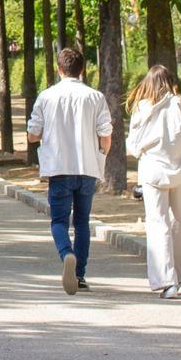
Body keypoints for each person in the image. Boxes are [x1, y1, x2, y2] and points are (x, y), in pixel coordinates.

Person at [26, 48, 112, 295]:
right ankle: (80, 274)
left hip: (59, 168)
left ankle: (67, 254)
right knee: (83, 222)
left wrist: (38, 136)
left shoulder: (46, 96)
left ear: (59, 69)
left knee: (59, 220)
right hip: (87, 167)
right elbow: (105, 134)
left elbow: (33, 133)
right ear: (82, 70)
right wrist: (101, 157)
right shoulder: (96, 97)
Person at [126, 65, 181, 299]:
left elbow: (133, 144)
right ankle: (179, 275)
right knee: (178, 220)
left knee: (157, 223)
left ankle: (165, 278)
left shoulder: (142, 107)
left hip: (152, 172)